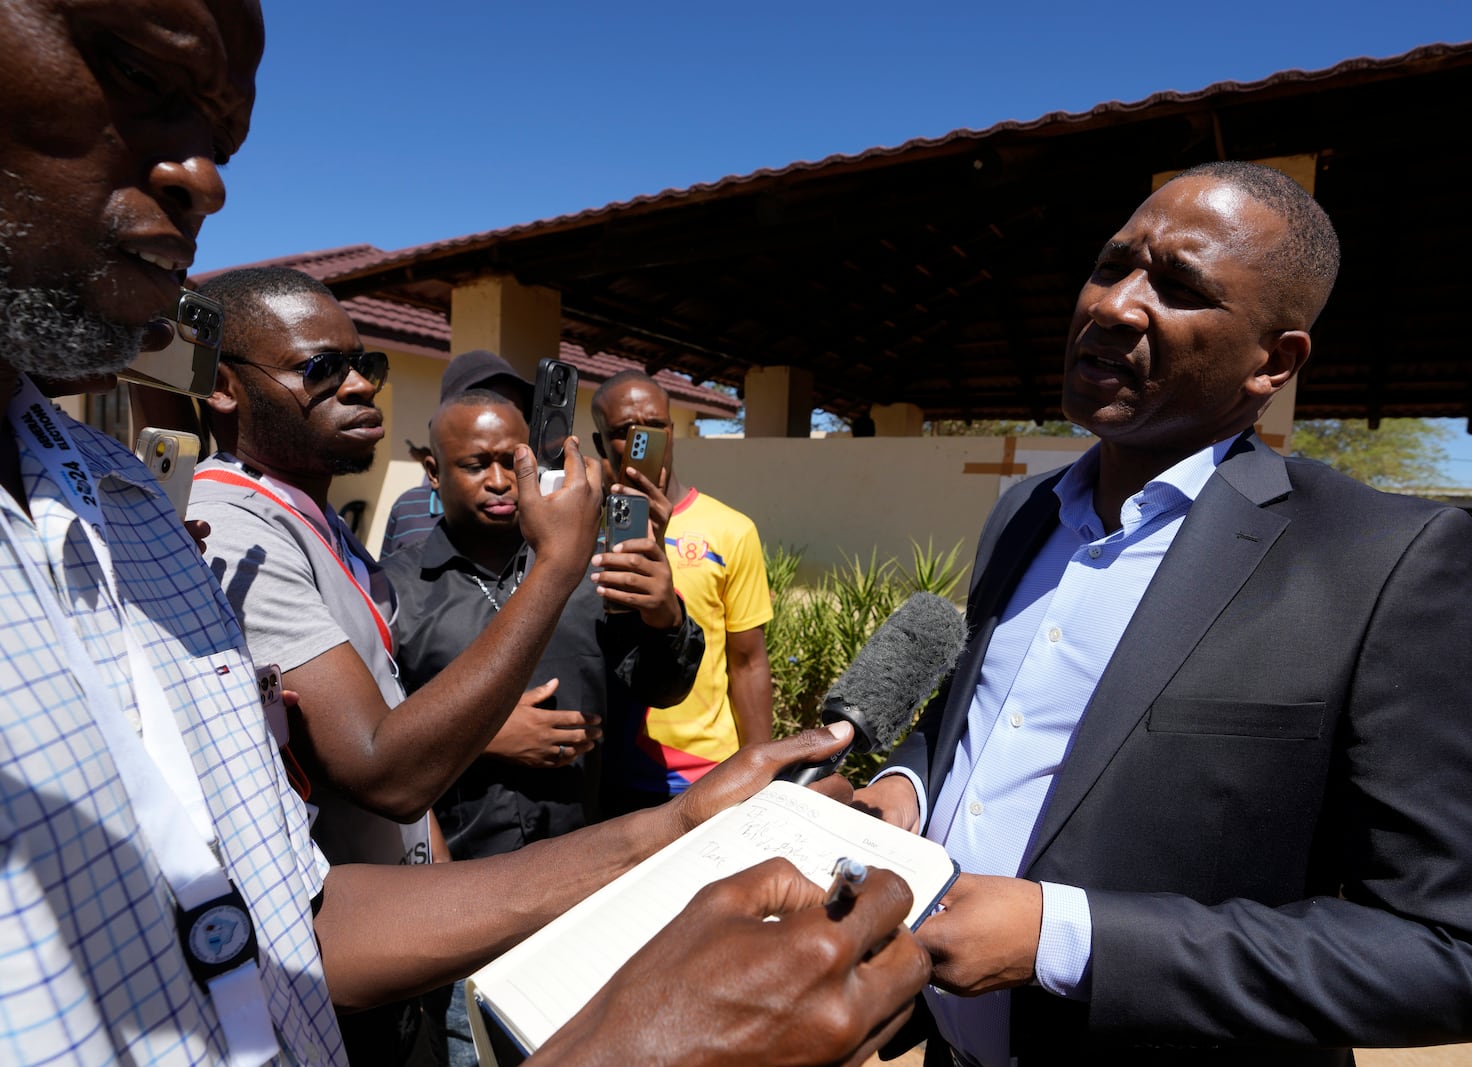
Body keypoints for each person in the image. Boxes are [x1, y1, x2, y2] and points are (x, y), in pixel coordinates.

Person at [0, 3, 932, 1063]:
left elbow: (282, 923)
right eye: (131, 69)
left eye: (224, 135)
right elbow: (388, 761)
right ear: (433, 475)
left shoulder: (121, 509)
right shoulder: (332, 543)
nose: (202, 176)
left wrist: (679, 815)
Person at [850, 162, 1472, 1066]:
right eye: (1112, 265)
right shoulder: (1024, 514)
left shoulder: (1385, 561)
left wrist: (1065, 936)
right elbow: (984, 712)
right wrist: (908, 786)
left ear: (1274, 361)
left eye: (1181, 288)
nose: (1114, 305)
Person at [389, 387, 703, 1063]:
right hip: (453, 904)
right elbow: (374, 748)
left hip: (578, 890)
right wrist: (485, 736)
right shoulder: (396, 591)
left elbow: (661, 685)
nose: (502, 481)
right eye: (477, 464)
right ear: (433, 470)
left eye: (515, 461)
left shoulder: (590, 569)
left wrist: (663, 616)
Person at [591, 371, 775, 810]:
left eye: (653, 426)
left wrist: (762, 771)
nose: (640, 439)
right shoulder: (575, 528)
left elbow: (747, 661)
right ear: (600, 444)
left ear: (672, 432)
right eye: (622, 431)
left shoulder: (729, 530)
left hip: (702, 774)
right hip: (604, 770)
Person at [380, 349, 537, 560]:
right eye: (480, 403)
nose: (499, 482)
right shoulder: (408, 509)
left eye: (514, 412)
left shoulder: (545, 510)